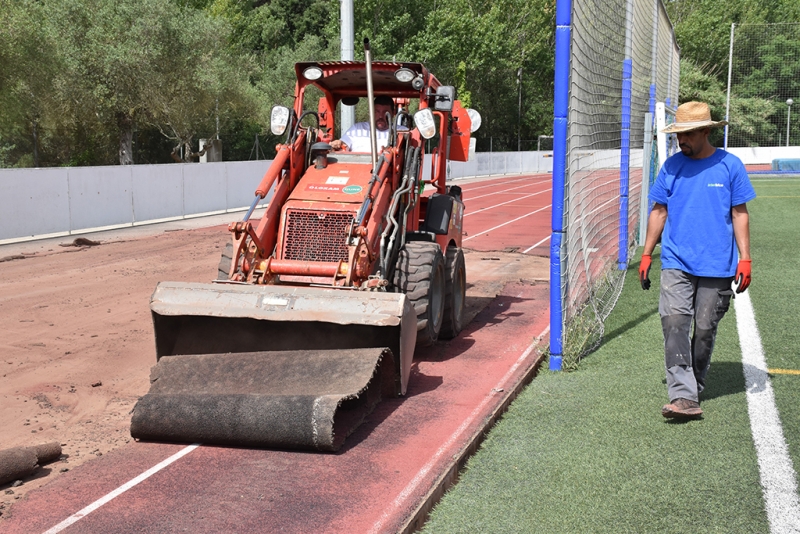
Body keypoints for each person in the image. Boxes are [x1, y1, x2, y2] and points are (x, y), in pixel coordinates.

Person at [639, 101, 756, 419]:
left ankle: (695, 383)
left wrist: (745, 259)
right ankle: (683, 396)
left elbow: (739, 213)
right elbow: (659, 210)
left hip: (717, 264)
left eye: (688, 135)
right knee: (674, 322)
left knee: (704, 328)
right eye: (678, 136)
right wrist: (647, 253)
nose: (682, 141)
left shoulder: (730, 165)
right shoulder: (672, 167)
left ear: (706, 131)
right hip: (676, 260)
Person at [330, 96, 395, 152]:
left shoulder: (401, 131)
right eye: (377, 112)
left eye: (385, 112)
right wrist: (337, 143)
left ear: (393, 113)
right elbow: (343, 144)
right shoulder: (357, 129)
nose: (381, 116)